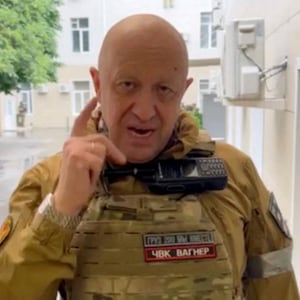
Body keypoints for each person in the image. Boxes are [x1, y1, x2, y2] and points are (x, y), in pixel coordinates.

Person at [0, 13, 299, 300]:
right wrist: (61, 211)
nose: (144, 111)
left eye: (164, 89)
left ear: (183, 90)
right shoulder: (50, 179)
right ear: (98, 84)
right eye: (127, 85)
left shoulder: (234, 173)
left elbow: (277, 286)